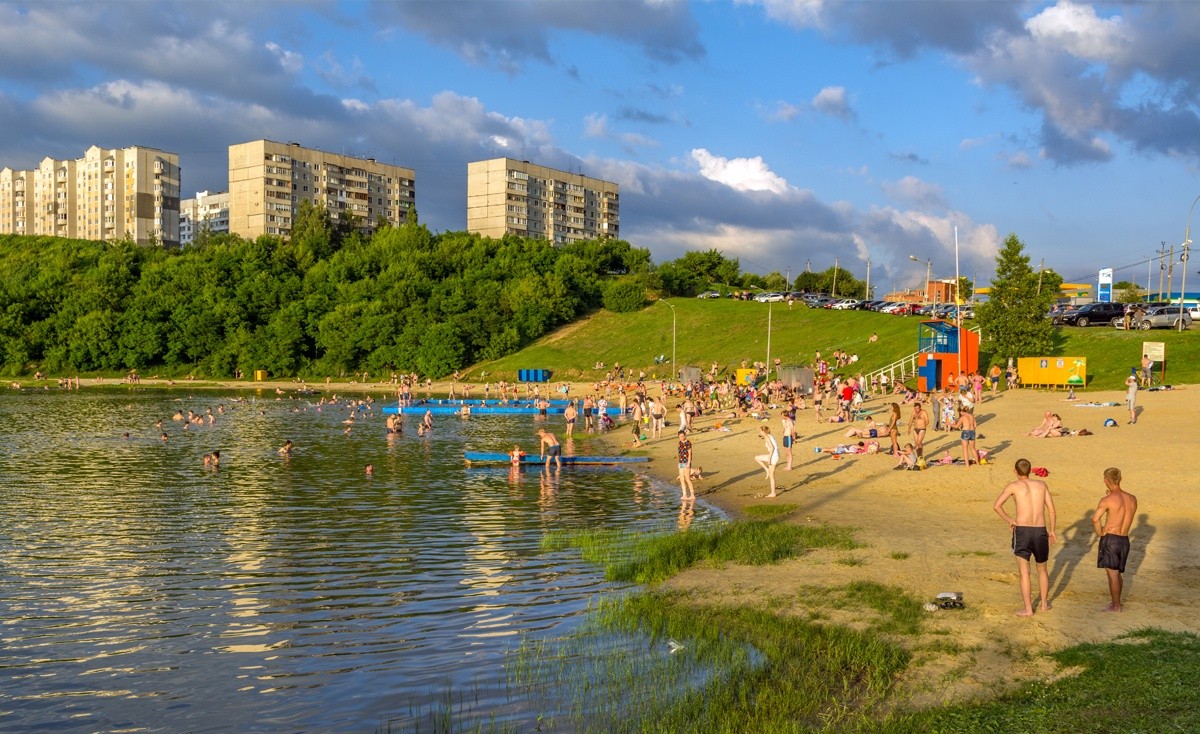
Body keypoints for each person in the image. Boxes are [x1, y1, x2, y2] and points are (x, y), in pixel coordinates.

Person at [993, 458, 1058, 617]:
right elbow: (1051, 510)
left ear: (1015, 471)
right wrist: (1052, 530)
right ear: (1030, 470)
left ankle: (1028, 609)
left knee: (1024, 572)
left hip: (1022, 530)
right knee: (1042, 569)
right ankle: (1043, 603)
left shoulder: (1013, 486)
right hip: (1040, 530)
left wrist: (1010, 520)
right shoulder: (1042, 485)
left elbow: (997, 506)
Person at [1092, 467, 1138, 612]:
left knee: (1112, 575)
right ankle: (1116, 603)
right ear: (1120, 479)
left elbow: (1095, 519)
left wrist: (1100, 533)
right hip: (1124, 539)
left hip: (1111, 539)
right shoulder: (1132, 498)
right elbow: (1121, 508)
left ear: (1106, 480)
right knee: (1117, 573)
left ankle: (1116, 605)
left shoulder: (1107, 500)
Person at [755, 425, 780, 498]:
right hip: (775, 455)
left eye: (760, 431)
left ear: (763, 431)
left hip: (773, 456)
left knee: (771, 476)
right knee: (757, 458)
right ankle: (767, 470)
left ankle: (773, 493)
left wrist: (769, 458)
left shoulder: (766, 437)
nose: (759, 432)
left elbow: (772, 448)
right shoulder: (770, 436)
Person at [676, 430, 695, 500]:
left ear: (685, 435)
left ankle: (692, 494)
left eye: (682, 436)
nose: (681, 438)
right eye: (680, 436)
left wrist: (688, 463)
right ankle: (684, 494)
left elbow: (690, 454)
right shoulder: (680, 443)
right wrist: (679, 463)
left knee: (687, 478)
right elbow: (679, 453)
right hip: (681, 463)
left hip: (686, 462)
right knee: (681, 478)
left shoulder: (688, 443)